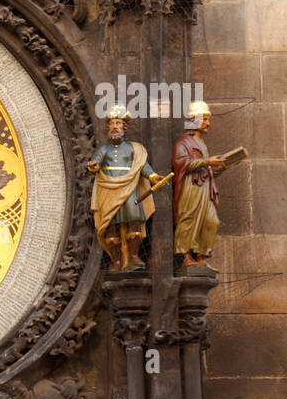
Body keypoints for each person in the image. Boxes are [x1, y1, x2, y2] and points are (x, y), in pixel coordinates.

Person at [89, 106, 162, 271]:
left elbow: (141, 165)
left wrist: (151, 176)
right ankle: (116, 259)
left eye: (118, 123)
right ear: (108, 127)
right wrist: (93, 166)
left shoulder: (132, 149)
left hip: (129, 189)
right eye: (112, 123)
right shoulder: (104, 149)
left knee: (134, 223)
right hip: (108, 189)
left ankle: (134, 255)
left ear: (124, 128)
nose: (115, 127)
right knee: (110, 226)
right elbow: (96, 162)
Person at [173, 100, 244, 266]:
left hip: (204, 188)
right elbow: (181, 164)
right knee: (188, 219)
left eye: (207, 119)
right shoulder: (182, 142)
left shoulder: (202, 144)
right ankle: (186, 257)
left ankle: (201, 256)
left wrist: (224, 165)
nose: (208, 123)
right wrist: (207, 161)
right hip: (191, 188)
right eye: (204, 119)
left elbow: (207, 169)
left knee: (211, 221)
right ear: (194, 119)